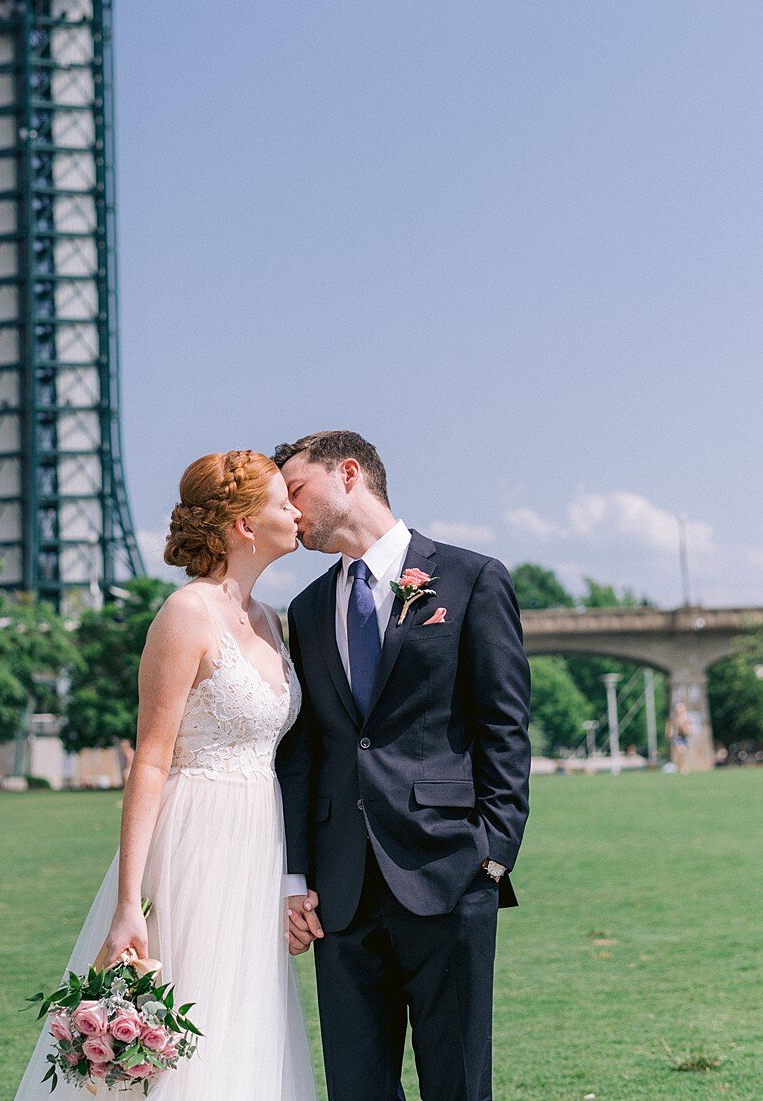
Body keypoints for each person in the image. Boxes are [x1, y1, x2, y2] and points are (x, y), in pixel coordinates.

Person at [15, 450, 316, 1100]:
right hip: (194, 848)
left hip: (258, 850)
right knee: (194, 1024)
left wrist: (293, 878)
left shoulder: (272, 622)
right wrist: (128, 903)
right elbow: (149, 759)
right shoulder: (186, 614)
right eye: (281, 501)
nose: (296, 510)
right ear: (243, 525)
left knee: (247, 1020)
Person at [275, 430, 531, 1101]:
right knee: (356, 1091)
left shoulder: (472, 580)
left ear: (349, 474)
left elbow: (504, 729)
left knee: (458, 1085)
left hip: (449, 876)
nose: (289, 510)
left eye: (296, 490)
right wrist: (295, 875)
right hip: (341, 894)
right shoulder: (303, 610)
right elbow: (305, 752)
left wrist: (491, 859)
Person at [666, 701, 692, 774]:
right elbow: (669, 725)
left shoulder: (686, 718)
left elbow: (688, 729)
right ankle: (681, 767)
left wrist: (686, 729)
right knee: (680, 751)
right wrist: (669, 733)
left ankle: (684, 767)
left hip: (685, 737)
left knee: (683, 753)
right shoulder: (675, 718)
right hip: (678, 737)